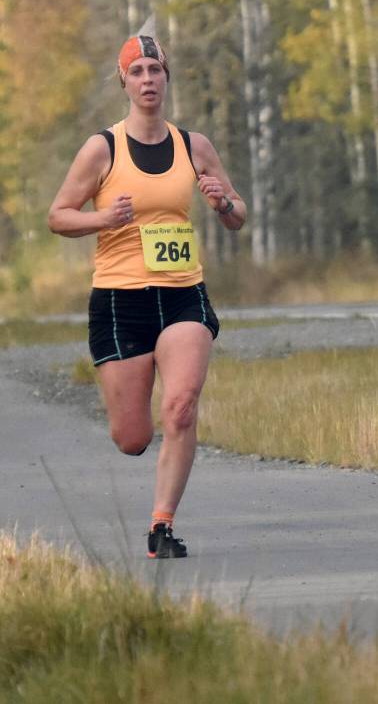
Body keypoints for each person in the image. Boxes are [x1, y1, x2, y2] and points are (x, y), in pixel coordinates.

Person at [47, 30, 246, 559]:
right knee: (132, 437)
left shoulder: (193, 145)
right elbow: (57, 215)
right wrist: (102, 219)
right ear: (124, 82)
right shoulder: (102, 148)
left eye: (155, 70)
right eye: (137, 72)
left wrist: (223, 202)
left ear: (167, 77)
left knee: (180, 408)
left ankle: (161, 527)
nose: (148, 80)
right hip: (120, 301)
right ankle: (127, 412)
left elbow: (237, 216)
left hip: (183, 295)